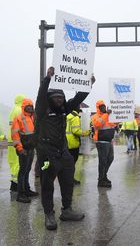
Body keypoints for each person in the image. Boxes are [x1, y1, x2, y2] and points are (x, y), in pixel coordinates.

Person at [35, 67, 95, 230]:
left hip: (64, 154)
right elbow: (41, 96)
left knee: (68, 183)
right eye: (56, 97)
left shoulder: (63, 110)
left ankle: (67, 210)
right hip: (46, 157)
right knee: (47, 185)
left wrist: (88, 85)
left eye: (61, 97)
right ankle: (49, 215)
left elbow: (77, 99)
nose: (59, 100)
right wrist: (47, 79)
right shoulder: (42, 111)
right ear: (49, 98)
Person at [11, 98, 38, 203]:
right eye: (28, 106)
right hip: (23, 149)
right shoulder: (18, 118)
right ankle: (20, 194)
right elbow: (15, 135)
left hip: (31, 148)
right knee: (22, 171)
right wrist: (19, 148)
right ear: (23, 107)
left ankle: (27, 190)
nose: (30, 107)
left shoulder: (32, 117)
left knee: (27, 170)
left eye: (32, 106)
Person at [91, 100, 116, 188]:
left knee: (110, 158)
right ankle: (101, 180)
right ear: (98, 107)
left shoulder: (108, 116)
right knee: (103, 161)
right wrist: (107, 114)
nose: (103, 108)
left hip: (109, 140)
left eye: (104, 106)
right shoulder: (95, 116)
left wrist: (120, 116)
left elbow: (114, 124)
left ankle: (103, 176)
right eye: (101, 106)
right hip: (101, 141)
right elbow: (97, 124)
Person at [66, 104, 90, 185]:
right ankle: (70, 180)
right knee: (72, 163)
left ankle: (67, 179)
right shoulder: (75, 117)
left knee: (68, 163)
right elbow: (76, 131)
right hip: (73, 143)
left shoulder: (68, 116)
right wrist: (86, 133)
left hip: (67, 142)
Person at [7, 94, 26, 192]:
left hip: (11, 140)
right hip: (17, 140)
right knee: (18, 163)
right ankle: (17, 185)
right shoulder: (19, 110)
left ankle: (14, 184)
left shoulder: (13, 109)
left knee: (12, 162)